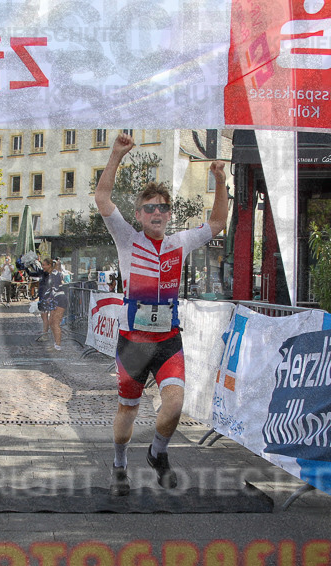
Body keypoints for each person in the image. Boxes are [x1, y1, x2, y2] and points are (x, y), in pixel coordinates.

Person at [95, 132, 228, 496]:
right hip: (133, 341)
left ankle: (158, 452)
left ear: (169, 214)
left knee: (174, 403)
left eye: (162, 208)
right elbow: (103, 197)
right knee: (128, 408)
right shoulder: (127, 238)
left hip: (168, 338)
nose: (156, 213)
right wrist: (116, 155)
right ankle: (120, 464)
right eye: (149, 208)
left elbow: (216, 223)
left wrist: (220, 181)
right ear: (138, 215)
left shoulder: (179, 243)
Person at [36, 258, 66, 351]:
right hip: (54, 299)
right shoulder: (50, 274)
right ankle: (55, 344)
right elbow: (49, 290)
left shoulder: (55, 274)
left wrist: (49, 298)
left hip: (60, 299)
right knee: (51, 322)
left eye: (44, 265)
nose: (43, 267)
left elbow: (55, 288)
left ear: (49, 265)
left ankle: (58, 345)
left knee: (55, 323)